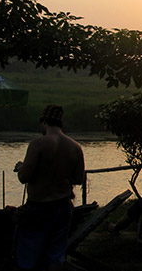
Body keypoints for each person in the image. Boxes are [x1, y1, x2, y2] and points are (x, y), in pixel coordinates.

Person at [14, 104, 85, 271]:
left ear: (44, 121)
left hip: (38, 207)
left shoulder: (38, 144)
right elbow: (79, 179)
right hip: (63, 206)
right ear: (61, 123)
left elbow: (24, 177)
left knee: (29, 254)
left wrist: (21, 167)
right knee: (56, 254)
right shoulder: (75, 147)